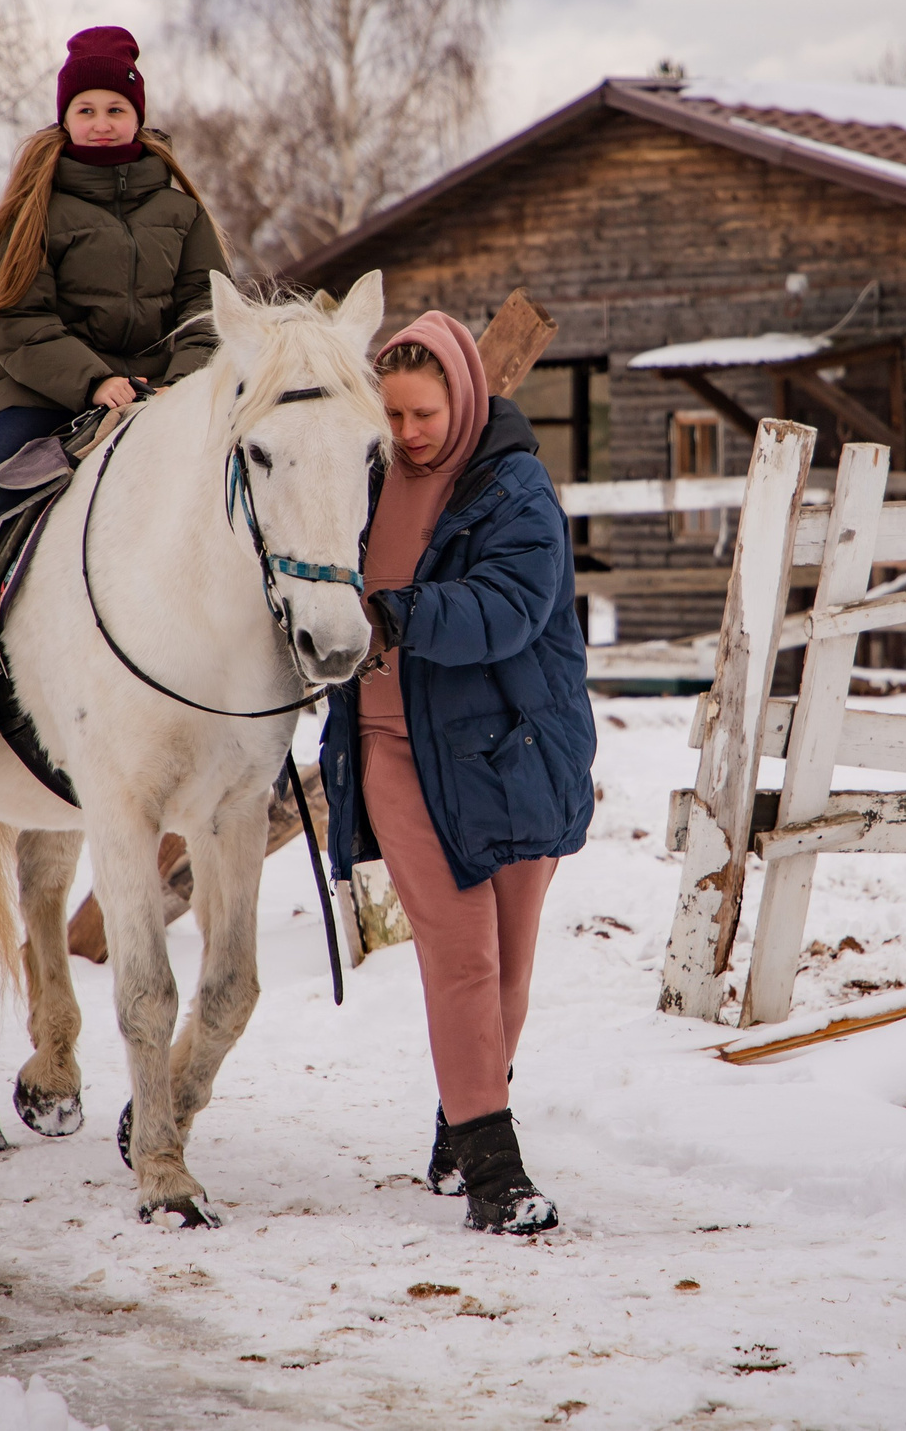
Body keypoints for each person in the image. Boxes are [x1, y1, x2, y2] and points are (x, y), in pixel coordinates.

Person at [318, 313, 596, 1235]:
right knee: (463, 952)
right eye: (392, 414)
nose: (407, 433)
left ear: (465, 398)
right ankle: (493, 1171)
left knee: (508, 962)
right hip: (394, 746)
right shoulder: (362, 482)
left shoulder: (513, 487)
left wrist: (400, 614)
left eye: (423, 414)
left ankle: (460, 1121)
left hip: (511, 746)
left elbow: (512, 605)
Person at [0, 26, 228, 699]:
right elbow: (19, 319)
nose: (101, 123)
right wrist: (93, 380)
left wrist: (180, 384)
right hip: (46, 390)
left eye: (116, 109)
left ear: (137, 116)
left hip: (159, 392)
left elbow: (208, 306)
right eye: (86, 109)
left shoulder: (182, 212)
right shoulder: (34, 208)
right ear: (65, 117)